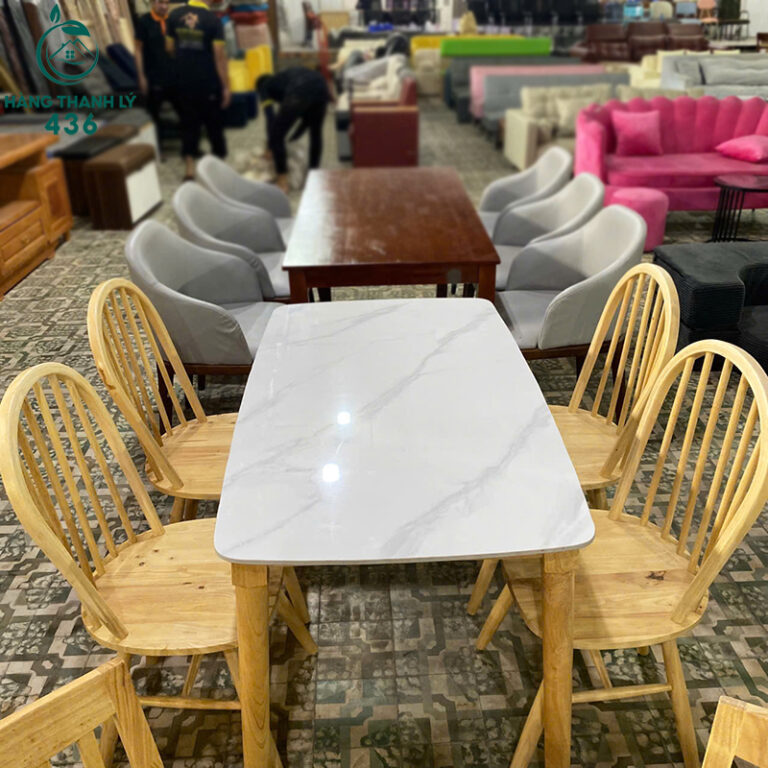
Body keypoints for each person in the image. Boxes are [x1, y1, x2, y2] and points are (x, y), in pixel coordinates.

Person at [165, 0, 231, 180]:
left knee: (188, 124)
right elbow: (219, 56)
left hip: (182, 80)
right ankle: (219, 167)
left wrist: (184, 58)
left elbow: (169, 48)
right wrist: (226, 86)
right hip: (207, 80)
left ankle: (189, 169)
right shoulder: (213, 20)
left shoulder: (174, 16)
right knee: (213, 124)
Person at [257, 68, 331, 193]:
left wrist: (271, 146)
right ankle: (314, 176)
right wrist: (292, 138)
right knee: (315, 132)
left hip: (301, 87)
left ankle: (282, 181)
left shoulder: (264, 86)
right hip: (321, 85)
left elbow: (271, 118)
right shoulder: (282, 80)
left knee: (276, 133)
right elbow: (306, 121)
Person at [134, 0, 176, 144]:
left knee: (186, 111)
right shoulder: (144, 22)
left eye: (166, 3)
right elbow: (138, 50)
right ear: (153, 3)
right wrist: (141, 76)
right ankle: (157, 147)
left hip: (174, 76)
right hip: (153, 77)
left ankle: (190, 147)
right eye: (160, 3)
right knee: (154, 115)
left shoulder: (172, 21)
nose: (164, 6)